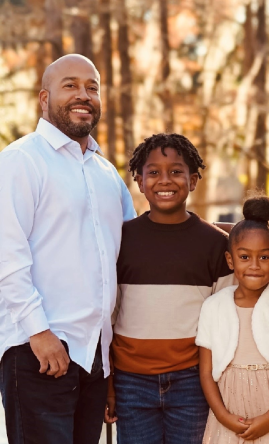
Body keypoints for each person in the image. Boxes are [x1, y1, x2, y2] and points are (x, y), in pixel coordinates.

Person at [0, 54, 135, 444]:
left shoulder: (107, 174)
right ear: (44, 99)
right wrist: (38, 333)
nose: (84, 95)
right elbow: (6, 255)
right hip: (37, 351)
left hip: (94, 356)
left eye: (92, 87)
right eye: (70, 85)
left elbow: (134, 245)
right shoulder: (21, 161)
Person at [104, 133, 234, 443]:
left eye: (176, 171)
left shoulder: (216, 244)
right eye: (154, 172)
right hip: (131, 381)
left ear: (193, 180)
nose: (166, 180)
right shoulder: (120, 240)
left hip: (193, 380)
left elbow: (225, 321)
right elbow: (107, 316)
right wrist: (108, 383)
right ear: (138, 180)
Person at [196, 193, 269, 444]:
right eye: (245, 257)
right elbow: (205, 372)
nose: (254, 265)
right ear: (230, 260)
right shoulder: (213, 307)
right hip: (229, 406)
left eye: (264, 257)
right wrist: (223, 416)